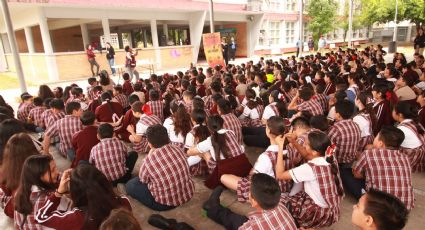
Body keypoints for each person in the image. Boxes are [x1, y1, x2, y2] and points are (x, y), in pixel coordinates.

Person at [275, 131, 344, 229]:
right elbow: (307, 156)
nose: (304, 144)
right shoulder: (329, 156)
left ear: (315, 152)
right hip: (330, 210)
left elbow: (280, 175)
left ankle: (297, 223)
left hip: (317, 213)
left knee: (277, 201)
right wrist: (294, 142)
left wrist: (280, 147)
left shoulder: (310, 168)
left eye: (306, 144)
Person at [220, 116, 295, 203]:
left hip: (270, 194)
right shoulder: (291, 149)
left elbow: (254, 178)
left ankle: (256, 200)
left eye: (266, 127)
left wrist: (252, 171)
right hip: (286, 188)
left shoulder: (266, 157)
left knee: (224, 177)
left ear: (268, 131)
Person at [35, 164, 132, 229]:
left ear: (75, 192)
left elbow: (40, 217)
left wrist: (58, 193)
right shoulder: (124, 202)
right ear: (104, 181)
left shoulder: (77, 218)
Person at [125, 124, 195, 211]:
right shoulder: (178, 149)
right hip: (187, 194)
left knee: (130, 185)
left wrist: (150, 155)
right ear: (167, 137)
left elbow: (143, 180)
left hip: (163, 204)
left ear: (150, 144)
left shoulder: (149, 161)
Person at [203, 173, 297, 230]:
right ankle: (213, 207)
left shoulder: (249, 227)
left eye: (249, 192)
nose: (248, 192)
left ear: (254, 201)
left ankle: (212, 207)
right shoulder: (282, 205)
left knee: (233, 221)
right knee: (238, 219)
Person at [352, 126, 414, 210]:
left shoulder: (368, 154)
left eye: (377, 136)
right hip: (404, 207)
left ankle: (367, 202)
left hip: (379, 206)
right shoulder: (405, 157)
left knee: (346, 173)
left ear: (381, 143)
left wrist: (370, 175)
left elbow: (357, 175)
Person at [13, 155, 60, 229]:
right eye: (52, 170)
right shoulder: (50, 197)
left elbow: (17, 225)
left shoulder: (19, 194)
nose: (57, 172)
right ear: (39, 176)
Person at [0, 133, 39, 218]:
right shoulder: (41, 163)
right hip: (44, 207)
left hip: (17, 210)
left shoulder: (5, 170)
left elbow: (5, 194)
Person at [392, 101, 425, 172]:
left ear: (400, 115)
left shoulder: (401, 129)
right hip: (419, 157)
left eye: (393, 110)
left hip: (411, 159)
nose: (392, 112)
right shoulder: (415, 122)